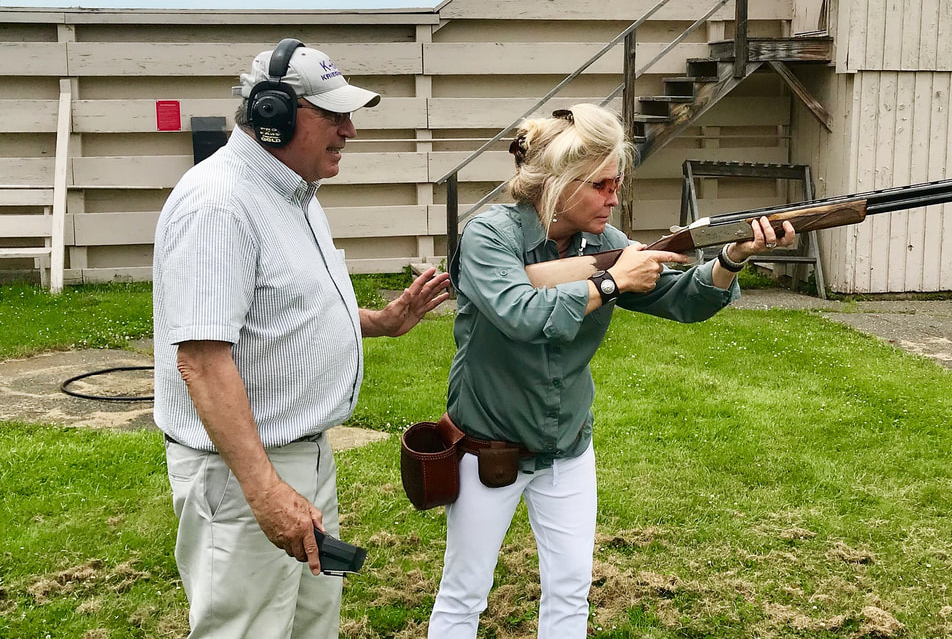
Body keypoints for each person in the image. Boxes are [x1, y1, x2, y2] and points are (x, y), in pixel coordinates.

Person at [427, 103, 795, 638]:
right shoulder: (489, 237)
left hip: (568, 446)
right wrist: (609, 284)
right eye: (599, 186)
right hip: (488, 448)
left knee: (572, 591)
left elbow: (681, 299)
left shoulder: (610, 244)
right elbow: (521, 315)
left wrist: (733, 257)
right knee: (465, 593)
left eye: (615, 183)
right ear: (557, 185)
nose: (613, 197)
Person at [153, 39, 450, 639]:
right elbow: (203, 362)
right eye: (335, 116)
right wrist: (264, 491)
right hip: (246, 472)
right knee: (245, 630)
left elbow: (285, 312)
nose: (350, 132)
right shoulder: (218, 205)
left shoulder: (294, 194)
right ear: (273, 116)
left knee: (312, 626)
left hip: (304, 456)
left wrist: (380, 321)